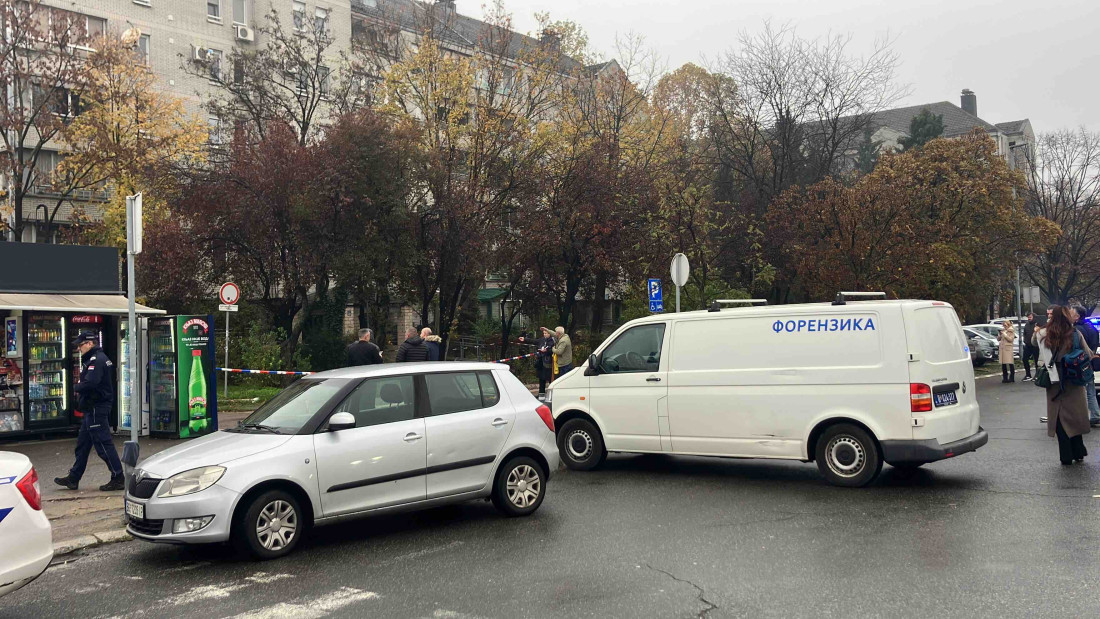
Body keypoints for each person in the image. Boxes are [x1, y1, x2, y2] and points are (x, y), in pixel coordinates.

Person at [54, 332, 124, 491]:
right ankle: (74, 477)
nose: (79, 348)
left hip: (96, 407)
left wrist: (76, 387)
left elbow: (91, 383)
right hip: (92, 407)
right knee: (83, 445)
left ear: (90, 343)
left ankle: (118, 476)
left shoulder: (97, 360)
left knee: (103, 443)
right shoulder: (97, 358)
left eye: (81, 345)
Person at [1038, 306, 1091, 465]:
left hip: (1054, 379)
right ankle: (1079, 451)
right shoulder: (1075, 333)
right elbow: (1087, 353)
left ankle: (1066, 455)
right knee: (1075, 416)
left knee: (1059, 417)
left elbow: (1034, 341)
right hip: (1074, 379)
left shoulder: (1044, 334)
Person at [1071, 305, 1100, 427]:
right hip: (1090, 364)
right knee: (1091, 391)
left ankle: (1080, 418)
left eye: (1071, 313)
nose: (1069, 315)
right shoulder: (1092, 327)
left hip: (1079, 364)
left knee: (1078, 393)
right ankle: (1095, 415)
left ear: (1077, 316)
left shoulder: (1076, 330)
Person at [521, 327, 556, 397]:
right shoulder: (542, 340)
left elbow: (553, 351)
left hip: (549, 363)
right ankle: (541, 395)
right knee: (541, 379)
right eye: (544, 333)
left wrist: (547, 351)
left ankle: (552, 395)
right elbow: (534, 341)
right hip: (541, 362)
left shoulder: (553, 341)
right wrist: (525, 339)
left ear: (550, 334)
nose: (544, 335)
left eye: (546, 333)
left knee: (550, 379)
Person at [1022, 313, 1040, 381]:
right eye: (1028, 317)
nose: (1029, 318)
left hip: (1035, 345)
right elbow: (1025, 333)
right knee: (1024, 359)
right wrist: (1025, 340)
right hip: (1028, 345)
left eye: (1030, 317)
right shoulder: (1027, 324)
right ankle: (1028, 374)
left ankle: (1037, 375)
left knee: (1036, 361)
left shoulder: (1037, 324)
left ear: (1034, 317)